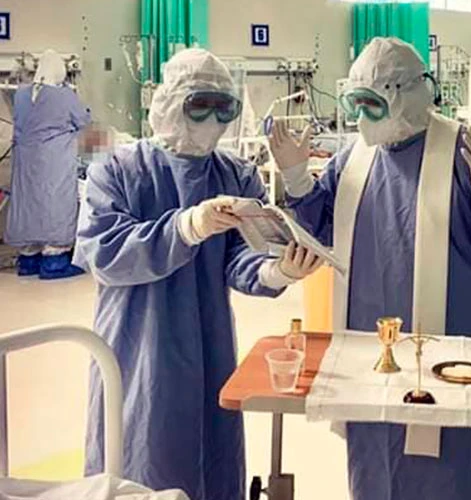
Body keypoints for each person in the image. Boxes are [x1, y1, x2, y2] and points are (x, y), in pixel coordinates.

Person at [267, 37, 471, 499]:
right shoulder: (352, 159)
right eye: (356, 104)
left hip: (456, 350)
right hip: (368, 354)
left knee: (461, 469)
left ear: (409, 95)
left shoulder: (467, 154)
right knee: (378, 461)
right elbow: (321, 230)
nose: (362, 118)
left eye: (373, 105)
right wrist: (297, 179)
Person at [74, 49, 322, 500]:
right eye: (200, 105)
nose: (213, 120)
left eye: (223, 108)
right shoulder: (118, 169)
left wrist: (275, 270)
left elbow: (241, 257)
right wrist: (186, 227)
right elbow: (104, 253)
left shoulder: (235, 174)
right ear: (170, 102)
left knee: (212, 446)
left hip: (209, 339)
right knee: (143, 448)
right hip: (139, 339)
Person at [5, 50, 90, 279]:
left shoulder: (21, 95)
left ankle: (28, 261)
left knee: (28, 206)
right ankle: (54, 263)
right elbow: (83, 122)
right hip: (55, 161)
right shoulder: (64, 96)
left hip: (25, 163)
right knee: (54, 205)